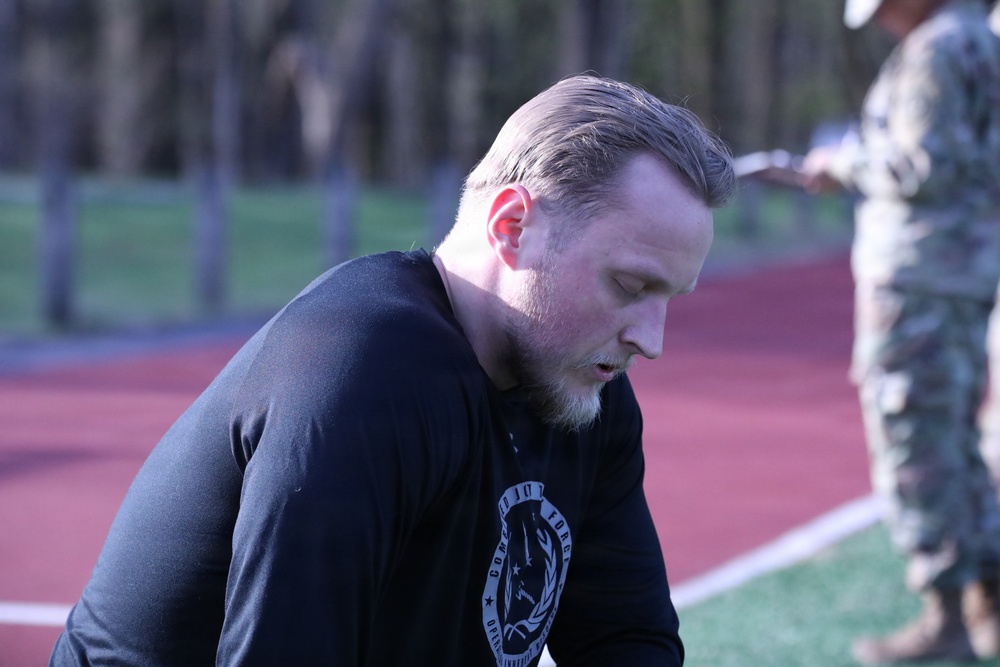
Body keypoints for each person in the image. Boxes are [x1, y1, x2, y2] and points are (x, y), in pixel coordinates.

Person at [49, 74, 736, 667]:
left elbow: (627, 639)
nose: (651, 341)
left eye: (669, 298)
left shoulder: (582, 386)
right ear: (512, 225)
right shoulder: (361, 374)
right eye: (629, 285)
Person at [802, 0, 1000, 663]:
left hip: (919, 275)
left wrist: (843, 165)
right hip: (966, 268)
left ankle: (947, 614)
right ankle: (987, 604)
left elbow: (922, 165)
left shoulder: (937, 51)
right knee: (957, 436)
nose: (883, 19)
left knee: (913, 435)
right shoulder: (979, 39)